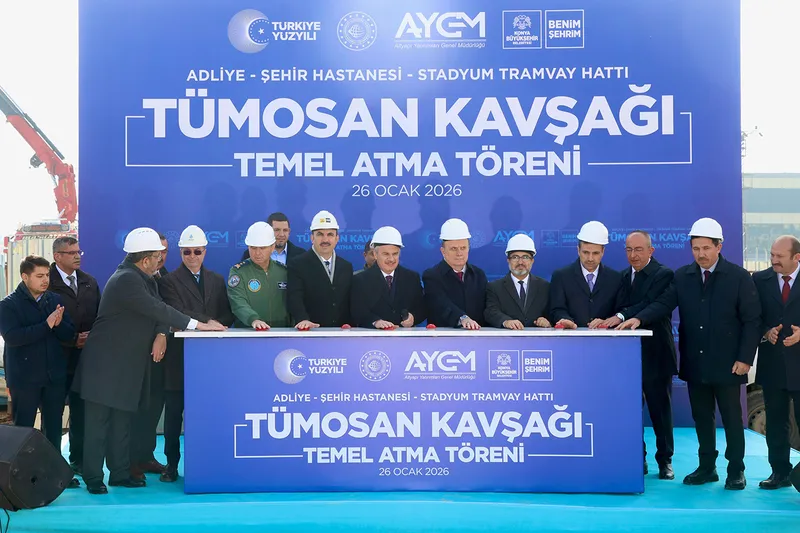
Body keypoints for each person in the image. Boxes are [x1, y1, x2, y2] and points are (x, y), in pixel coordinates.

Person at [73, 227, 225, 494]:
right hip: (104, 366)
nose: (160, 260)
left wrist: (164, 333)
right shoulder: (126, 280)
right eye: (157, 256)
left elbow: (159, 313)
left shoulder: (145, 278)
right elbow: (157, 308)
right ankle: (93, 478)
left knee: (122, 421)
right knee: (99, 424)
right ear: (145, 260)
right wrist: (197, 324)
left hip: (126, 366)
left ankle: (120, 473)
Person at [619, 218, 761, 490]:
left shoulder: (739, 277)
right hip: (696, 362)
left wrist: (745, 358)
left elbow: (752, 320)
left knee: (732, 419)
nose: (701, 254)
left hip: (730, 364)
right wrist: (637, 318)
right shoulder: (683, 276)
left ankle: (736, 470)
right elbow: (662, 303)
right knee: (702, 418)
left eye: (706, 248)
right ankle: (707, 468)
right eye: (696, 248)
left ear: (719, 247)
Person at [157, 225, 235, 482]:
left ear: (205, 252)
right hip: (179, 359)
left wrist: (216, 324)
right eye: (187, 252)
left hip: (211, 360)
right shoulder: (168, 281)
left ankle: (212, 462)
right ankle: (171, 465)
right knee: (173, 415)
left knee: (211, 414)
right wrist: (207, 323)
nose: (192, 256)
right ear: (180, 252)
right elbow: (175, 310)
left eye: (197, 251)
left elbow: (227, 313)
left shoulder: (217, 280)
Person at [601, 231, 677, 479]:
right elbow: (617, 307)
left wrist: (624, 316)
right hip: (627, 356)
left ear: (651, 251)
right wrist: (606, 319)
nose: (633, 255)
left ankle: (665, 460)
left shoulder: (663, 274)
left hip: (656, 354)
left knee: (660, 411)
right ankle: (638, 457)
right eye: (629, 250)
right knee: (631, 412)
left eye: (638, 249)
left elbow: (651, 304)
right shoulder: (623, 276)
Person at [0, 255, 79, 488]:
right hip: (24, 378)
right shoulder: (8, 305)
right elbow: (13, 337)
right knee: (23, 428)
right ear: (25, 277)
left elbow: (68, 335)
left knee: (53, 427)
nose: (45, 280)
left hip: (53, 375)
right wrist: (47, 325)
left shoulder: (54, 300)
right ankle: (21, 478)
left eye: (47, 276)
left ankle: (55, 474)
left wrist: (59, 323)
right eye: (40, 276)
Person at [48, 236, 101, 476]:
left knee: (81, 412)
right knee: (53, 415)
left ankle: (78, 460)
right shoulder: (46, 282)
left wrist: (91, 337)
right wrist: (71, 339)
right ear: (57, 256)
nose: (77, 256)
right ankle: (52, 466)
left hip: (84, 360)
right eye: (71, 253)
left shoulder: (89, 282)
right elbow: (44, 321)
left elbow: (100, 315)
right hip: (55, 359)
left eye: (79, 251)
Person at [752, 235, 800, 489]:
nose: (774, 260)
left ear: (797, 257)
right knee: (776, 422)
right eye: (772, 255)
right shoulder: (760, 280)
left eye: (780, 256)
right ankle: (779, 472)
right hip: (773, 364)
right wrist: (766, 331)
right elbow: (752, 316)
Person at [550, 221, 623, 329]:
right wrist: (566, 321)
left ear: (603, 251)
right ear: (578, 250)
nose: (590, 258)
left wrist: (606, 322)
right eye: (586, 252)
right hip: (571, 336)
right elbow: (556, 309)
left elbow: (620, 311)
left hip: (606, 337)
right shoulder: (561, 276)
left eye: (595, 253)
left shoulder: (615, 278)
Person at [287, 211, 353, 329]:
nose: (325, 239)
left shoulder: (346, 267)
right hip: (310, 331)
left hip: (341, 333)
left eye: (330, 234)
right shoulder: (298, 264)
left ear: (337, 238)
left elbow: (350, 301)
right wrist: (303, 319)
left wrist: (350, 323)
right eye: (320, 234)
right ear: (312, 238)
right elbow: (294, 297)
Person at [350, 226, 425, 329]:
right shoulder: (360, 280)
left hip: (405, 337)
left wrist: (413, 318)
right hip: (373, 337)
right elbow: (357, 311)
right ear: (375, 254)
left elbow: (422, 308)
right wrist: (375, 322)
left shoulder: (412, 278)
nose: (391, 259)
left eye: (395, 254)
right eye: (386, 254)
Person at [423, 219, 487, 329]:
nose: (459, 253)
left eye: (463, 248)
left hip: (478, 336)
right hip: (443, 337)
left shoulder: (478, 274)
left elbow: (489, 306)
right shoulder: (432, 276)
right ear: (443, 251)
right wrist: (462, 318)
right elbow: (441, 304)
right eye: (453, 249)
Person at [228, 221, 290, 329]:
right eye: (253, 248)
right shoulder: (238, 272)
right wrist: (253, 319)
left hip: (281, 332)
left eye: (262, 248)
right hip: (250, 332)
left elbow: (294, 301)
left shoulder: (283, 271)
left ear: (272, 247)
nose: (257, 253)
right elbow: (237, 301)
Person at [485, 234, 551, 329]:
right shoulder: (494, 287)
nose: (520, 262)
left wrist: (547, 320)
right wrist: (506, 321)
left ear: (532, 261)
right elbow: (490, 312)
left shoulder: (544, 286)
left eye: (525, 257)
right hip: (507, 337)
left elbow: (553, 312)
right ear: (508, 260)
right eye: (515, 257)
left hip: (537, 337)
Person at [240, 212, 305, 264]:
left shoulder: (300, 254)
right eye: (277, 230)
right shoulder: (250, 254)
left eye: (285, 230)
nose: (281, 234)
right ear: (268, 231)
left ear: (289, 232)